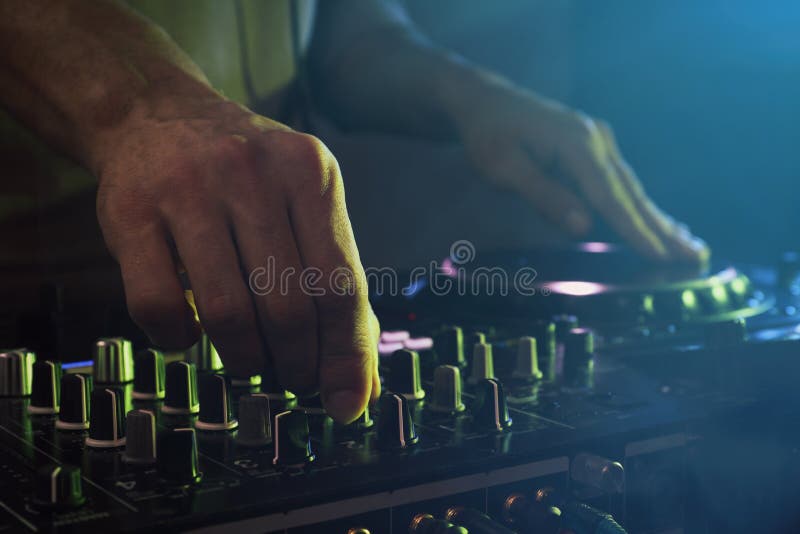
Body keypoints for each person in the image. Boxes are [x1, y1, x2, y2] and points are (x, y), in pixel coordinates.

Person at [0, 0, 708, 423]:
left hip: (248, 285)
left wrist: (461, 90)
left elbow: (340, 28)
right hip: (32, 284)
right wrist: (139, 106)